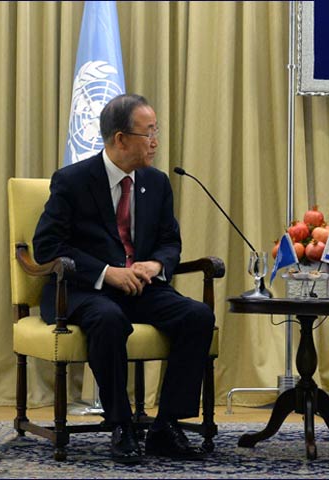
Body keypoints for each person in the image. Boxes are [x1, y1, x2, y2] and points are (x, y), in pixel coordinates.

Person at [33, 94, 214, 464]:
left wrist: (156, 265)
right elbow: (46, 246)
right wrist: (105, 273)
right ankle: (121, 425)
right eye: (147, 133)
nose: (155, 142)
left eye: (155, 131)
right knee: (109, 319)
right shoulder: (72, 180)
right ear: (120, 139)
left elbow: (169, 241)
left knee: (197, 316)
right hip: (82, 291)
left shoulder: (157, 183)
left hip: (140, 286)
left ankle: (166, 426)